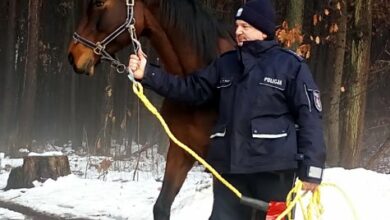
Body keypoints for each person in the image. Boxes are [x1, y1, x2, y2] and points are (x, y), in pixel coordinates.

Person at [129, 0, 326, 219]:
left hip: (273, 174)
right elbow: (190, 88)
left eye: (245, 26)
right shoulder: (226, 64)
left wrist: (312, 169)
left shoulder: (291, 66)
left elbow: (310, 116)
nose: (238, 31)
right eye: (237, 25)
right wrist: (148, 74)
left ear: (262, 31)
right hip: (230, 173)